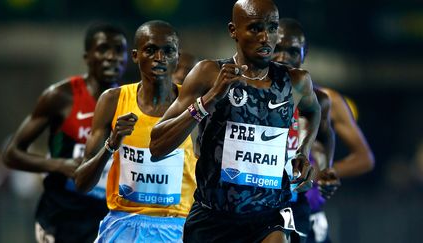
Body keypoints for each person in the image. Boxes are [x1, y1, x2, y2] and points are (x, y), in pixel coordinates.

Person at [149, 0, 321, 242]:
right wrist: (209, 99)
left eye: (272, 28)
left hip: (269, 217)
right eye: (255, 28)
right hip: (213, 218)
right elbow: (157, 145)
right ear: (233, 31)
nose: (265, 37)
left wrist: (303, 150)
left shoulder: (295, 81)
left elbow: (313, 111)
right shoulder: (208, 73)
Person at [2, 23, 128, 242]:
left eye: (118, 50)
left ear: (129, 58)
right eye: (103, 49)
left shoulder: (132, 101)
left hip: (106, 215)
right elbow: (11, 154)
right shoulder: (61, 96)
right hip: (61, 213)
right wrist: (59, 165)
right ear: (87, 56)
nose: (111, 57)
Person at [74, 20, 197, 242]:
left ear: (177, 57)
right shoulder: (113, 100)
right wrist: (111, 144)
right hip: (124, 225)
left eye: (168, 51)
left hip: (178, 227)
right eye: (150, 50)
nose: (159, 58)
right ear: (135, 55)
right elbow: (82, 182)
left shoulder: (195, 108)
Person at [273, 18, 375, 243]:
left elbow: (364, 157)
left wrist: (323, 173)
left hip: (305, 210)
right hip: (258, 210)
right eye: (277, 49)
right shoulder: (247, 97)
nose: (283, 58)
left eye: (292, 51)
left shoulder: (326, 100)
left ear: (304, 53)